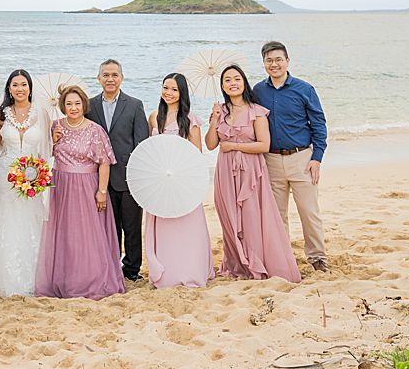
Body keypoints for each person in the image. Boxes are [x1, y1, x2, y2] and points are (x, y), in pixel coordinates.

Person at [206, 65, 301, 283]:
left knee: (252, 218)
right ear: (222, 86)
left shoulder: (257, 111)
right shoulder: (220, 111)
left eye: (236, 79)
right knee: (229, 217)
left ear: (244, 82)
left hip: (251, 171)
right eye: (227, 80)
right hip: (225, 171)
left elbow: (264, 145)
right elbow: (211, 144)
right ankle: (239, 261)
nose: (232, 83)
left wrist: (233, 146)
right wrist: (214, 119)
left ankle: (257, 261)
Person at [34, 86, 123, 300]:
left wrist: (102, 191)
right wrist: (51, 141)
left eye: (77, 103)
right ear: (63, 106)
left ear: (84, 104)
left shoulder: (95, 130)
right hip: (61, 186)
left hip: (86, 186)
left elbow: (104, 163)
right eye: (69, 104)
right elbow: (43, 156)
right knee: (65, 234)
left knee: (87, 234)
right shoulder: (55, 127)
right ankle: (64, 278)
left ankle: (89, 279)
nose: (73, 108)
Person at [252, 42, 329, 272]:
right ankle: (282, 257)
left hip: (302, 159)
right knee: (277, 215)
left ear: (287, 61)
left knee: (309, 212)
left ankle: (317, 257)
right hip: (271, 160)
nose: (273, 64)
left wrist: (317, 157)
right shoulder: (257, 91)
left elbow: (318, 123)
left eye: (278, 59)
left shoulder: (304, 89)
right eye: (269, 60)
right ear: (264, 63)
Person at [145, 74, 213, 289]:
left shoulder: (190, 119)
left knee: (186, 228)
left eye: (174, 89)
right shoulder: (155, 117)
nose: (169, 93)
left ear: (181, 93)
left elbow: (196, 153)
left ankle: (190, 269)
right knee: (164, 228)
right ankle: (167, 271)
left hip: (183, 181)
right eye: (166, 88)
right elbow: (150, 150)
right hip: (161, 181)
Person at [0, 69, 51, 298]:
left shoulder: (41, 112)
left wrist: (42, 173)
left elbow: (49, 143)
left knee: (31, 221)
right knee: (9, 221)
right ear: (9, 89)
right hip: (6, 175)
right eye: (15, 85)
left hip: (34, 175)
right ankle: (7, 279)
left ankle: (35, 276)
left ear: (30, 88)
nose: (20, 89)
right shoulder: (1, 114)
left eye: (24, 84)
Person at [87, 60, 148, 282]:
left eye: (114, 75)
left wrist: (139, 175)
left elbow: (141, 143)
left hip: (128, 175)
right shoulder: (89, 105)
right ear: (98, 78)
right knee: (108, 227)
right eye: (105, 75)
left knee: (131, 226)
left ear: (121, 77)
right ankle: (110, 266)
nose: (110, 79)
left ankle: (132, 269)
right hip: (100, 178)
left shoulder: (134, 104)